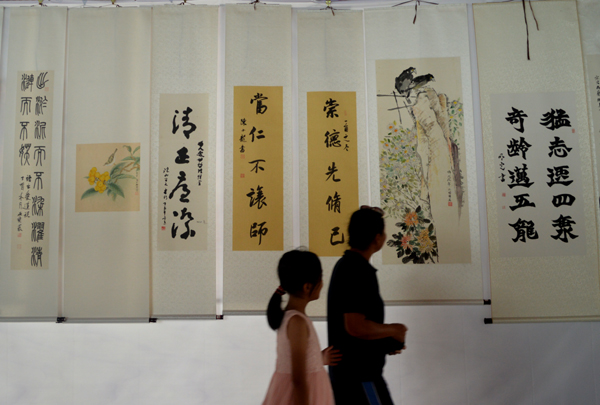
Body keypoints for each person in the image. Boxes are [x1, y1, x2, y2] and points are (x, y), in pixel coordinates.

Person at [327, 206, 408, 405]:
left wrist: (384, 341)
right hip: (359, 378)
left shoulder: (348, 265)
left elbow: (357, 329)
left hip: (353, 377)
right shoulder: (356, 269)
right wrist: (394, 329)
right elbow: (355, 326)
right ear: (377, 238)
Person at [263, 249, 342, 405]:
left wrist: (318, 359)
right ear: (307, 287)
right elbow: (298, 379)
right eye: (320, 278)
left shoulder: (293, 319)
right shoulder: (297, 322)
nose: (322, 283)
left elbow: (294, 361)